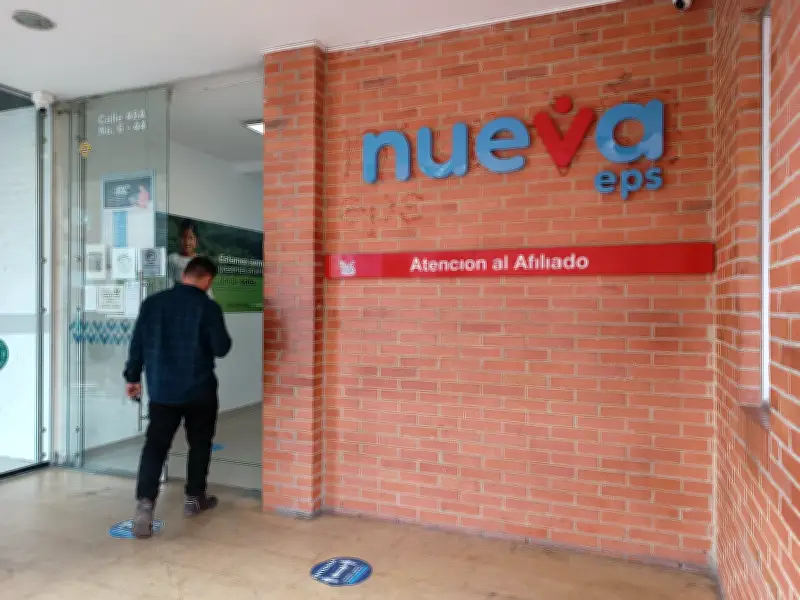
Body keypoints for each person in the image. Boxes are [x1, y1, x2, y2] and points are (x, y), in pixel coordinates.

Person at [123, 256, 232, 539]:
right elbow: (221, 348)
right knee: (200, 444)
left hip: (162, 391)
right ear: (207, 279)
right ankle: (194, 498)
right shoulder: (208, 307)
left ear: (184, 275)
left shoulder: (152, 304)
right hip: (199, 390)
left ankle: (145, 504)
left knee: (155, 446)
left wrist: (132, 377)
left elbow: (138, 344)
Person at [168, 219, 215, 299]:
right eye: (183, 237)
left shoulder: (201, 261)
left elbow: (207, 288)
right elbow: (169, 284)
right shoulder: (172, 259)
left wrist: (211, 302)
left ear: (196, 240)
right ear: (179, 239)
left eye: (191, 238)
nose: (187, 242)